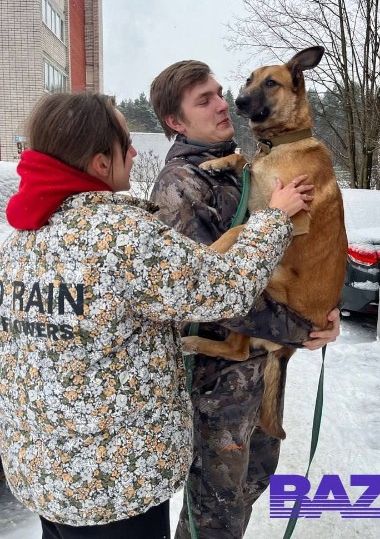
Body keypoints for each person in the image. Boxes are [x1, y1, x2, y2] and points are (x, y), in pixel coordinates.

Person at [0, 92, 312, 539]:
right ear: (99, 163)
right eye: (124, 142)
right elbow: (226, 290)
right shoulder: (124, 238)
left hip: (47, 476)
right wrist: (274, 219)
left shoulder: (22, 245)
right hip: (115, 486)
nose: (133, 151)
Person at [150, 60, 341, 539]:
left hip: (255, 372)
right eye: (204, 100)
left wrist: (322, 311)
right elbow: (211, 295)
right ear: (176, 122)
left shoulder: (244, 163)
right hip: (218, 389)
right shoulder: (181, 187)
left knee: (249, 487)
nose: (224, 104)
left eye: (220, 92)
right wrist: (303, 329)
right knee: (215, 513)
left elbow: (300, 248)